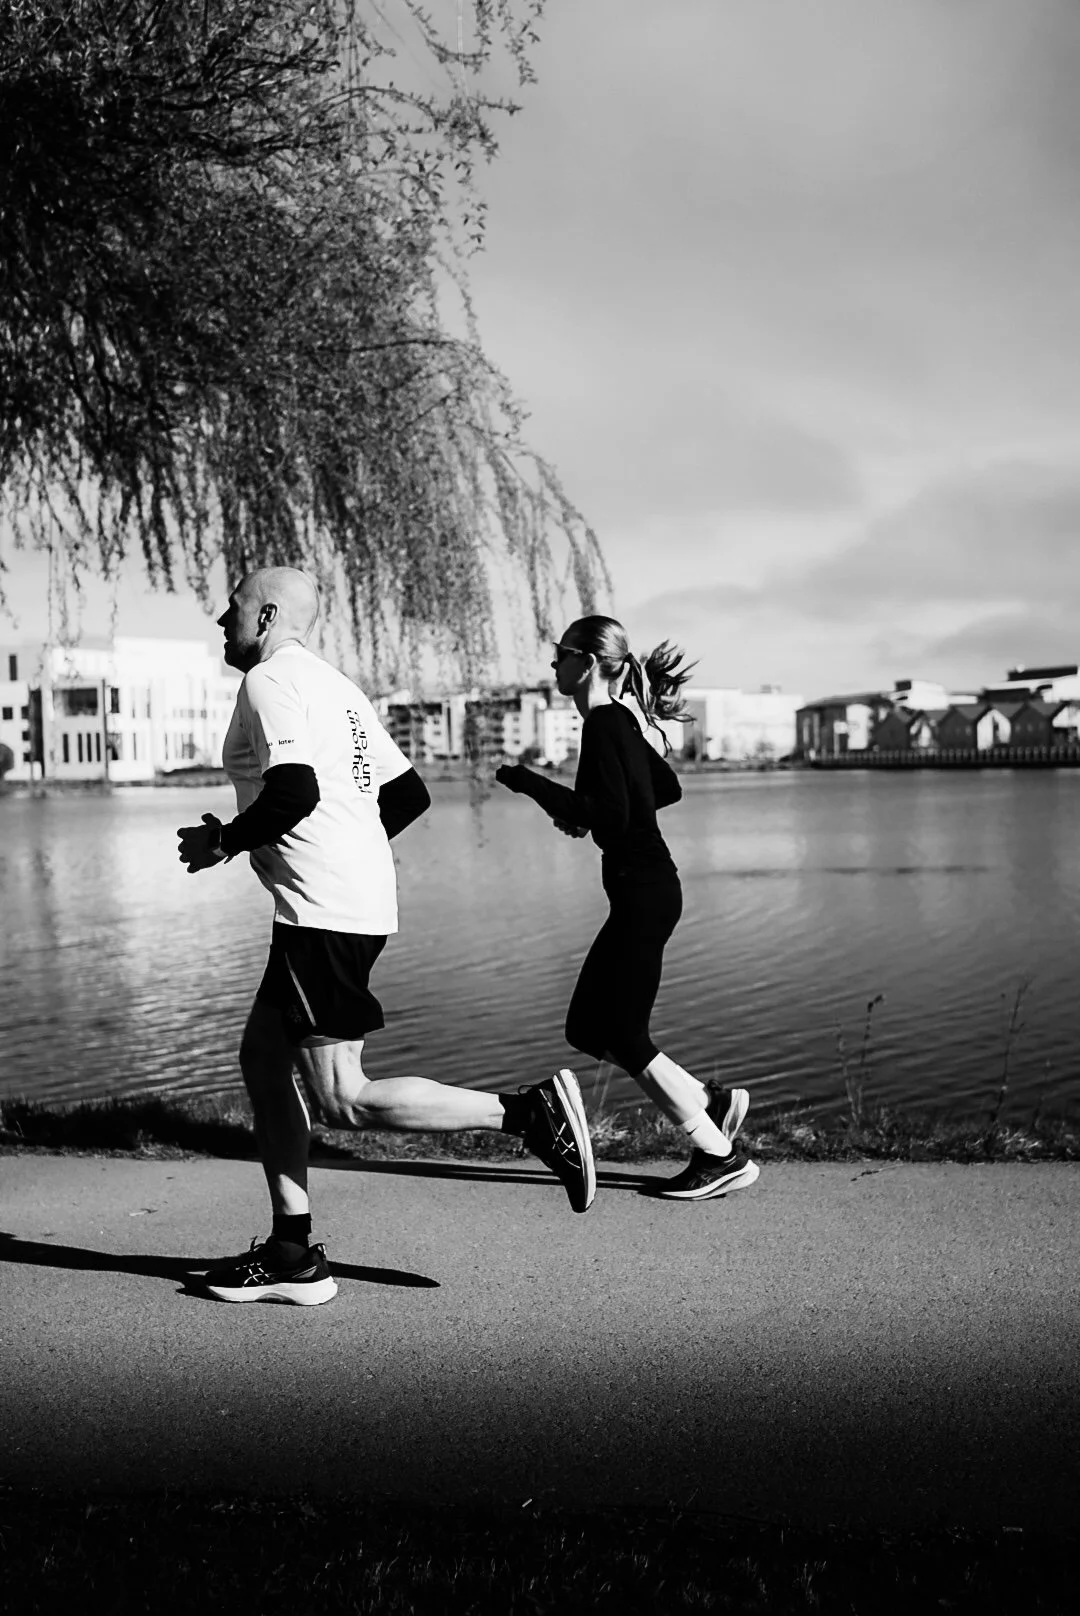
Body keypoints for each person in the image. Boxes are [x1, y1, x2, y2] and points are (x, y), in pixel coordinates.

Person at [177, 567, 595, 1306]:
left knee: (344, 1098)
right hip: (342, 903)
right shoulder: (337, 687)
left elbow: (295, 790)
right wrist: (352, 853)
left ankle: (527, 1113)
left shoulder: (271, 680)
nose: (221, 619)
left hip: (325, 913)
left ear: (267, 614)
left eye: (233, 607)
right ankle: (290, 1252)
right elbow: (406, 794)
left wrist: (227, 843)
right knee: (262, 1061)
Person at [495, 615, 760, 1201]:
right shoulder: (614, 724)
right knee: (586, 1026)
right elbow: (665, 789)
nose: (553, 666)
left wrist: (529, 783)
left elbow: (612, 815)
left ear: (586, 662)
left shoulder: (607, 723)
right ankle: (708, 1100)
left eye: (560, 655)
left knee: (621, 1029)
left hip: (644, 891)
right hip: (645, 890)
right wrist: (591, 805)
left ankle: (717, 1152)